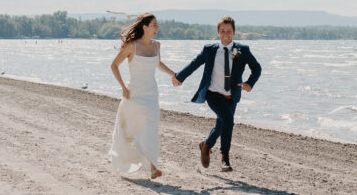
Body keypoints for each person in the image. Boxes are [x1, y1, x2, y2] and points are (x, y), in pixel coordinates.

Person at [173, 16, 262, 172]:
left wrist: (249, 83)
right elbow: (195, 64)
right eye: (222, 31)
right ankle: (225, 159)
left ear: (234, 32)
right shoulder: (210, 50)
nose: (225, 34)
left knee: (221, 125)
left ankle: (206, 145)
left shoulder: (241, 50)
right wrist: (179, 77)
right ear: (218, 32)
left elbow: (257, 68)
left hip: (232, 97)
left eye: (228, 31)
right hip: (213, 94)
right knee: (228, 119)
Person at [108, 13, 177, 179]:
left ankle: (153, 167)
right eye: (154, 25)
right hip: (135, 94)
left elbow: (157, 63)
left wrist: (173, 74)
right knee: (132, 129)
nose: (157, 28)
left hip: (152, 94)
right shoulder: (132, 46)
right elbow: (114, 65)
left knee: (151, 128)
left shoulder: (156, 46)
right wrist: (123, 87)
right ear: (144, 27)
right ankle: (131, 158)